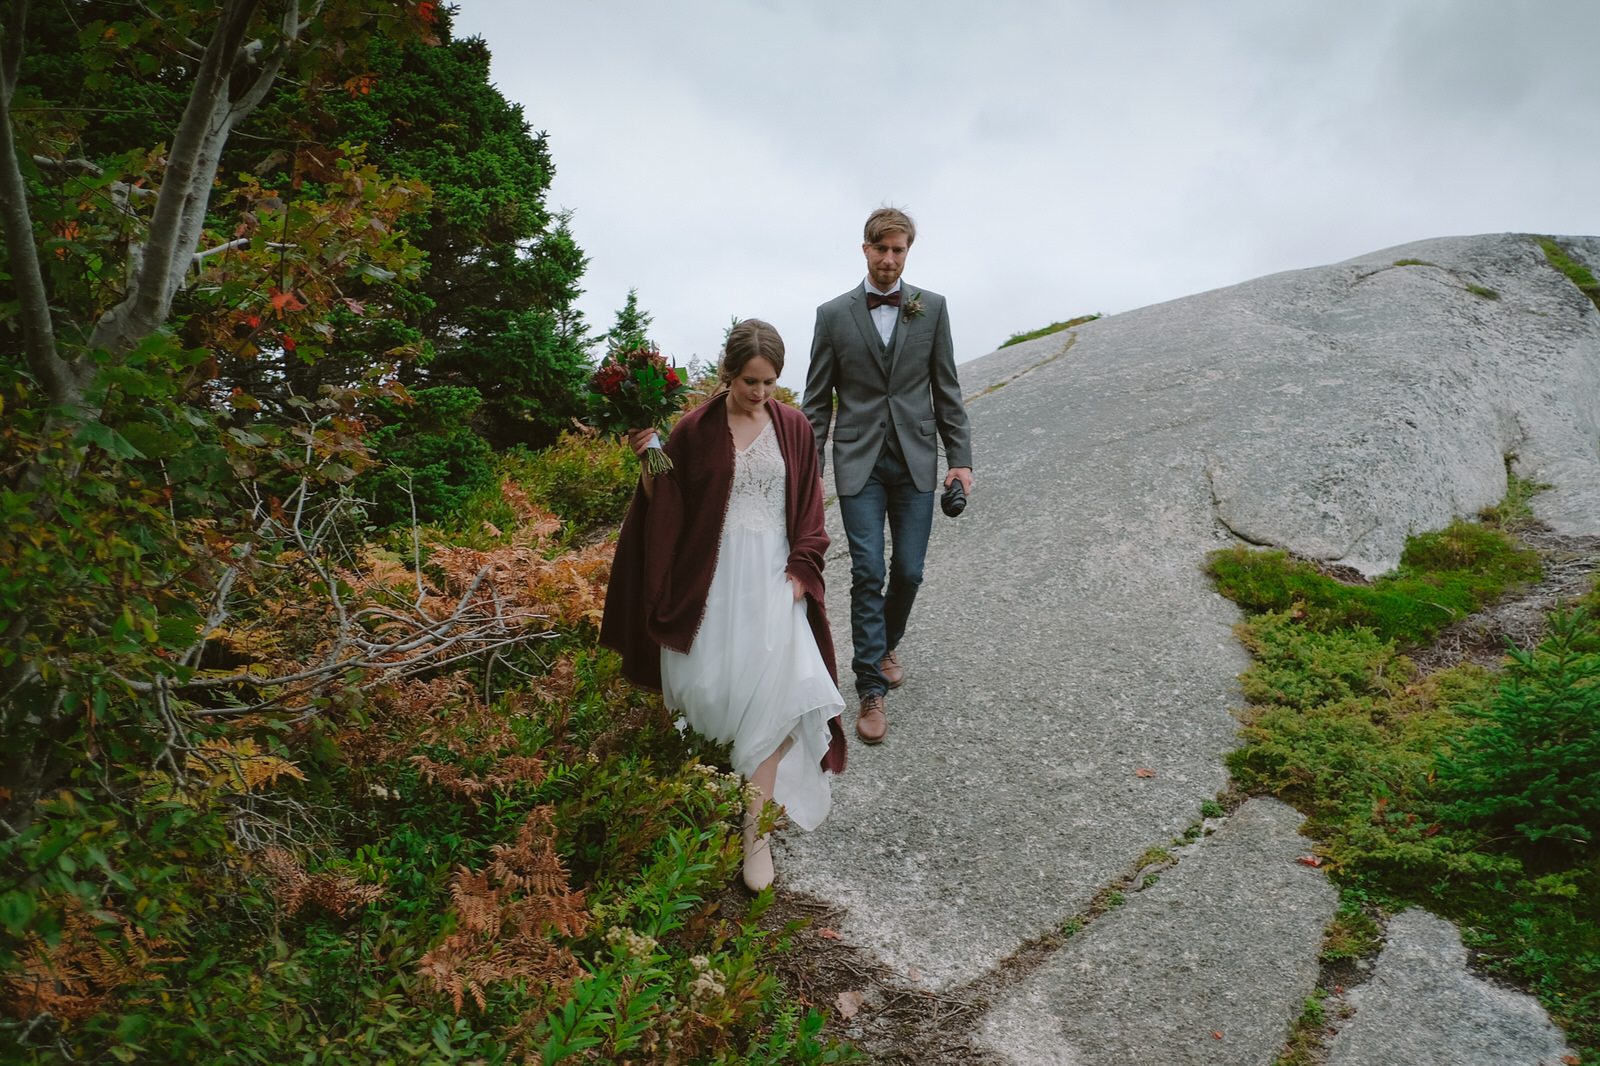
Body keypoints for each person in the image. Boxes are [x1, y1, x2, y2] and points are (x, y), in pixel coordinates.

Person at [599, 319, 847, 892]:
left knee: (785, 695)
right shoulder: (693, 429)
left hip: (775, 579)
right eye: (750, 382)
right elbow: (670, 508)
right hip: (710, 578)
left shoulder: (793, 428)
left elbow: (810, 508)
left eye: (771, 382)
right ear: (727, 374)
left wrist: (801, 572)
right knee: (713, 697)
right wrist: (648, 461)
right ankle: (716, 794)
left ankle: (754, 837)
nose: (761, 393)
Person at [801, 207, 973, 744]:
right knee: (867, 570)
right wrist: (810, 469)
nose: (889, 260)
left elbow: (946, 390)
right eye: (881, 249)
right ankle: (869, 687)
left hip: (916, 459)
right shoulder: (832, 316)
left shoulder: (932, 308)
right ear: (866, 249)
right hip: (859, 462)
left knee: (911, 572)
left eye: (899, 251)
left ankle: (885, 642)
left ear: (906, 252)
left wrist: (960, 460)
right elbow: (815, 402)